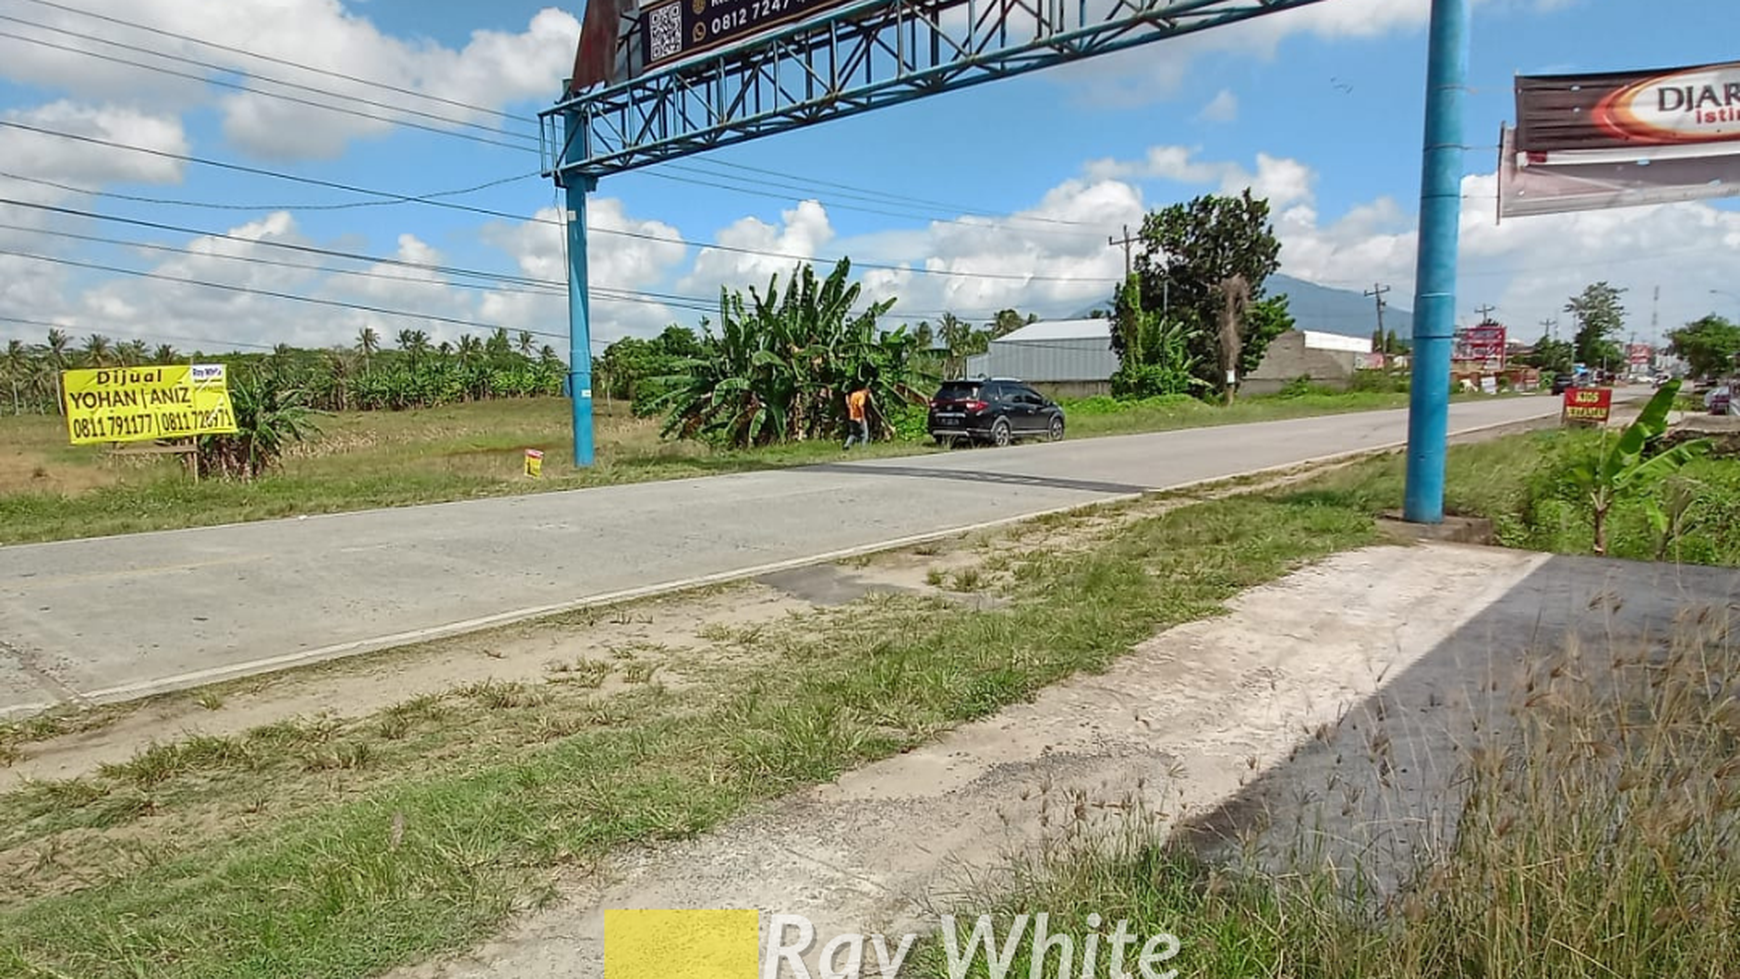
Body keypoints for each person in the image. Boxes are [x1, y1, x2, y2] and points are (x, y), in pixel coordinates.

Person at [843, 384, 871, 449]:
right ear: (866, 391)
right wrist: (863, 417)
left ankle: (847, 445)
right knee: (865, 434)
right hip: (858, 417)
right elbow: (860, 406)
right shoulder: (862, 396)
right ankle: (863, 448)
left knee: (853, 433)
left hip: (851, 417)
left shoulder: (853, 394)